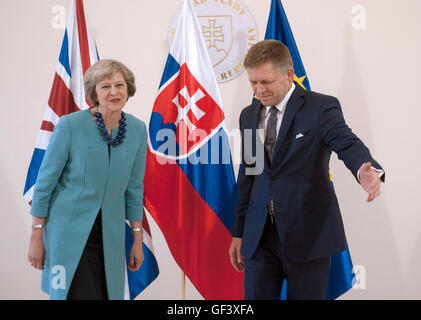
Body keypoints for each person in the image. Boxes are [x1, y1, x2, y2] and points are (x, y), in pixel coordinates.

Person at [229, 40, 385, 300]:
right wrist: (238, 231)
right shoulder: (248, 114)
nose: (258, 90)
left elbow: (345, 141)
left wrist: (364, 169)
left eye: (266, 82)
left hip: (308, 235)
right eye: (253, 83)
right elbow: (250, 173)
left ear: (289, 74)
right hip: (259, 238)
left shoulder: (321, 107)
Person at [27, 59, 148, 300]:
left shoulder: (137, 129)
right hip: (68, 233)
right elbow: (44, 185)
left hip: (110, 236)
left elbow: (134, 189)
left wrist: (137, 239)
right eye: (105, 86)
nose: (114, 91)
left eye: (119, 85)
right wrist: (36, 236)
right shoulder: (70, 125)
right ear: (94, 92)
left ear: (128, 89)